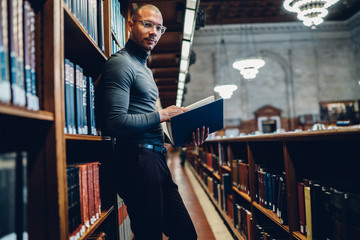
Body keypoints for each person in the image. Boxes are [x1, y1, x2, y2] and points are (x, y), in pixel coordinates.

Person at [100, 4, 209, 240]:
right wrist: (163, 114)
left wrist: (183, 139)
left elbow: (147, 126)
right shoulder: (121, 64)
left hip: (154, 158)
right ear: (131, 25)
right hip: (135, 161)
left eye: (159, 28)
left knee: (185, 233)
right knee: (149, 235)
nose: (154, 32)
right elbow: (114, 122)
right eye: (147, 24)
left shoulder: (144, 69)